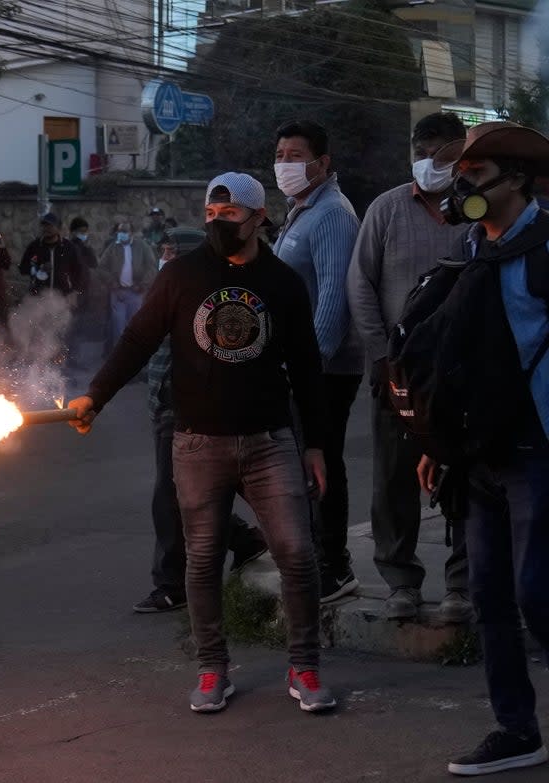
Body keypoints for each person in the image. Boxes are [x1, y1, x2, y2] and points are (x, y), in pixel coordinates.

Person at [68, 173, 333, 714]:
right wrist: (95, 395)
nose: (218, 226)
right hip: (196, 443)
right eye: (211, 216)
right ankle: (213, 670)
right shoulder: (181, 276)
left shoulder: (283, 283)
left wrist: (316, 445)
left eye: (229, 216)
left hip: (268, 441)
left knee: (297, 554)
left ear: (258, 217)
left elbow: (307, 367)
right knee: (203, 560)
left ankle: (304, 667)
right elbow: (138, 339)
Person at [416, 121, 549, 777]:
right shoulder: (470, 254)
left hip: (538, 452)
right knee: (491, 597)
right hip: (480, 455)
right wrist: (439, 442)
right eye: (459, 172)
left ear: (518, 179)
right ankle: (516, 728)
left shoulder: (546, 250)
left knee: (538, 592)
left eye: (476, 170)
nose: (462, 181)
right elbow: (458, 361)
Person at [347, 112, 471, 623]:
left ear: (461, 159)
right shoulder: (387, 209)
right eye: (421, 154)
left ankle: (462, 585)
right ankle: (400, 580)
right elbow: (360, 285)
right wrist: (379, 356)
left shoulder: (476, 210)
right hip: (398, 372)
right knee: (393, 478)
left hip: (464, 373)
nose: (428, 164)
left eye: (441, 155)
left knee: (466, 477)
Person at [135, 230, 268, 613]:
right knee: (185, 492)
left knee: (175, 493)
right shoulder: (166, 289)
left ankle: (172, 583)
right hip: (166, 405)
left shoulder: (211, 300)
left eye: (170, 253)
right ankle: (242, 540)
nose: (164, 258)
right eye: (162, 250)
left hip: (196, 409)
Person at [271, 119, 364, 604]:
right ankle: (314, 558)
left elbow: (333, 297)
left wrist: (309, 367)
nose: (285, 164)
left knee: (322, 460)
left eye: (295, 155)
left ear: (323, 163)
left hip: (325, 368)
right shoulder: (300, 210)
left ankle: (335, 565)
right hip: (300, 364)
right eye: (281, 154)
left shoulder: (332, 214)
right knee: (301, 461)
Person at [98, 221, 157, 352]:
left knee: (135, 326)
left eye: (125, 231)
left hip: (135, 293)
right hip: (118, 293)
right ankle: (118, 360)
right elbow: (101, 268)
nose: (122, 234)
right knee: (118, 328)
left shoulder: (141, 246)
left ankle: (134, 357)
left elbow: (152, 267)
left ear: (131, 233)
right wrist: (112, 282)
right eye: (120, 231)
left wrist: (143, 284)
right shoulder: (113, 247)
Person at [18, 213, 82, 299]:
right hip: (38, 298)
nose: (46, 228)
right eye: (44, 225)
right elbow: (23, 268)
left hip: (62, 298)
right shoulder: (34, 246)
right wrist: (37, 269)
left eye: (50, 225)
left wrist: (74, 292)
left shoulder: (69, 247)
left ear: (58, 228)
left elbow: (78, 271)